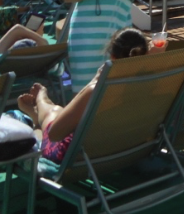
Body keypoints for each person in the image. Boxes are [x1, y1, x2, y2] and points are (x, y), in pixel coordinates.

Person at [16, 28, 151, 164]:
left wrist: (94, 82)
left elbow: (55, 134)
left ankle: (40, 101)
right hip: (123, 150)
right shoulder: (155, 85)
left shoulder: (97, 91)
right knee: (57, 111)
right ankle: (40, 111)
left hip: (78, 156)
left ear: (112, 57)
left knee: (54, 113)